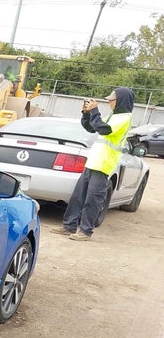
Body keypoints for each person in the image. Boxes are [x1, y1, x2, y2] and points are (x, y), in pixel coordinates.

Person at [52, 87, 134, 241]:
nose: (109, 102)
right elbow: (92, 127)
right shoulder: (114, 115)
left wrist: (95, 110)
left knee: (92, 200)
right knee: (77, 197)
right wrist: (86, 113)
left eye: (111, 100)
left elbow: (103, 129)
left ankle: (85, 231)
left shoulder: (125, 118)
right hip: (92, 162)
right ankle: (69, 226)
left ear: (120, 101)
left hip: (103, 165)